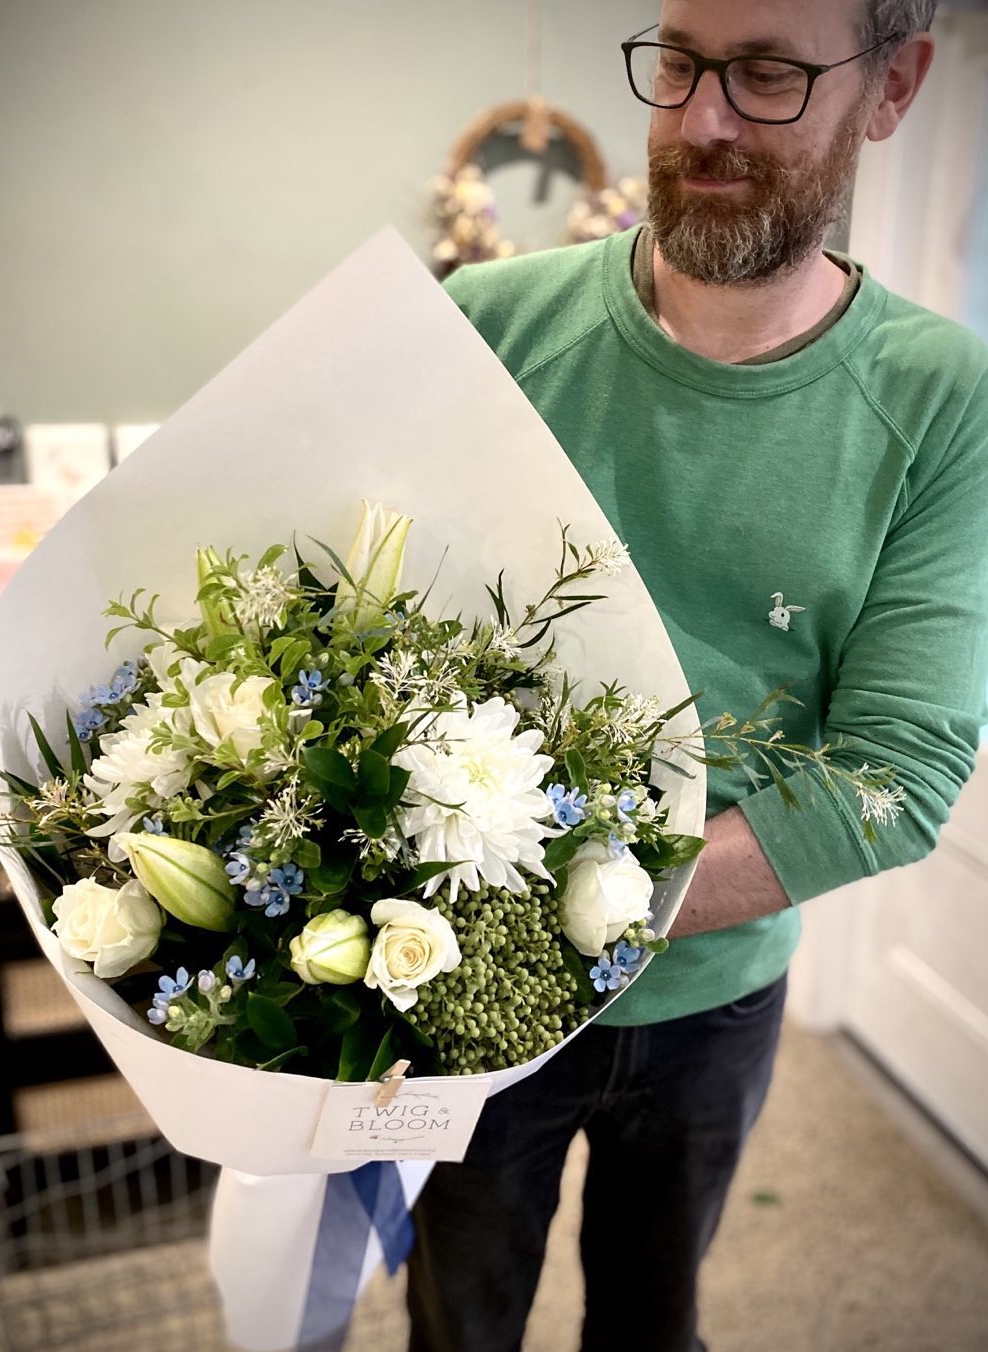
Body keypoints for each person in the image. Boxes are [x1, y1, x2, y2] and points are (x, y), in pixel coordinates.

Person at [406, 2, 988, 1349]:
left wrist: (563, 908)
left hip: (712, 995)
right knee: (455, 1317)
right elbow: (370, 625)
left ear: (892, 87)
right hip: (459, 983)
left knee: (651, 1321)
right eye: (676, 64)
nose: (703, 119)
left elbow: (891, 781)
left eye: (769, 74)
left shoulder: (943, 400)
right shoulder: (483, 323)